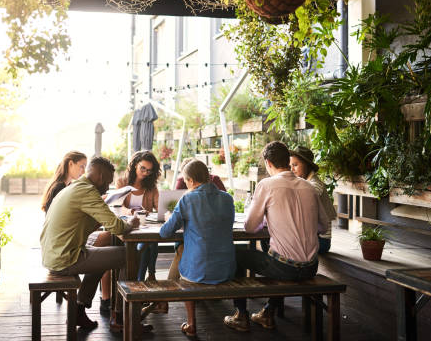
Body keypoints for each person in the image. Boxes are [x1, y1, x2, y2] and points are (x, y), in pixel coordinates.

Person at [224, 141, 329, 332]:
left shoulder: (267, 185)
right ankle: (268, 312)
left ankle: (241, 315)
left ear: (268, 163)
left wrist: (268, 219)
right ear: (287, 162)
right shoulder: (308, 187)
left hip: (284, 268)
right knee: (277, 253)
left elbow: (249, 226)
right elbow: (324, 226)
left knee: (237, 255)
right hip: (311, 267)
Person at [40, 157, 140, 330]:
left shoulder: (75, 186)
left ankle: (79, 309)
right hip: (65, 258)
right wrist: (131, 223)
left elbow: (88, 223)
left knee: (102, 249)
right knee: (129, 255)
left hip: (54, 253)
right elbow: (117, 227)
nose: (108, 186)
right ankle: (120, 317)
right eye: (108, 181)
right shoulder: (87, 191)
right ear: (100, 176)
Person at [160, 159, 236, 337]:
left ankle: (192, 324)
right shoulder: (227, 198)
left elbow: (165, 233)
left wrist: (168, 218)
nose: (186, 185)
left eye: (186, 181)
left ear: (191, 181)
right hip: (226, 269)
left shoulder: (188, 198)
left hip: (197, 272)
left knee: (187, 259)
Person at [116, 150, 161, 282]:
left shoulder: (151, 187)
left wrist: (154, 212)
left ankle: (142, 279)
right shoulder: (122, 182)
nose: (145, 173)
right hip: (128, 226)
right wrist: (131, 212)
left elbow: (159, 208)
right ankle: (146, 277)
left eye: (149, 170)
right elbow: (118, 206)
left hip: (144, 226)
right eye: (143, 168)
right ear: (135, 164)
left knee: (149, 242)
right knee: (148, 244)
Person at [290, 146, 337, 254]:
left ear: (307, 165)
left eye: (295, 165)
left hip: (321, 240)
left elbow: (300, 202)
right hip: (310, 237)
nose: (292, 169)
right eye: (290, 166)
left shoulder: (315, 184)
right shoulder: (304, 183)